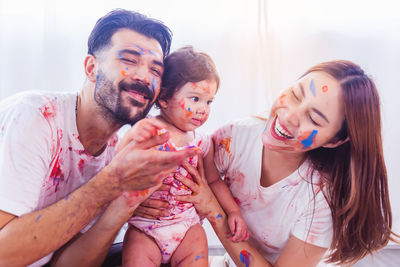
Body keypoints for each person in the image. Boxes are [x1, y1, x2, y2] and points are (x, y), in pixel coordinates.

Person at [0, 9, 199, 267]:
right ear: (91, 68)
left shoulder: (118, 150)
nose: (144, 76)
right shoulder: (36, 116)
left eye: (156, 70)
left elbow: (67, 264)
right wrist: (111, 182)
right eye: (129, 60)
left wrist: (123, 203)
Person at [168, 60, 398, 266]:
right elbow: (184, 176)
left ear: (334, 140)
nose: (289, 116)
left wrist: (215, 213)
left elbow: (209, 201)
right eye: (296, 95)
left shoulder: (322, 198)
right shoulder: (235, 136)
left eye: (314, 118)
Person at [121, 46, 248, 266]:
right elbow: (117, 163)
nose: (203, 109)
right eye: (195, 99)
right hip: (145, 227)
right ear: (164, 98)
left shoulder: (203, 142)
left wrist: (234, 212)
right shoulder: (149, 129)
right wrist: (132, 135)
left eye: (209, 101)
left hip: (187, 227)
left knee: (198, 250)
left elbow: (214, 181)